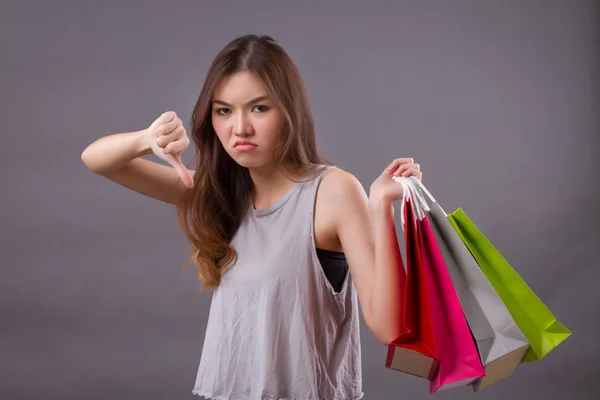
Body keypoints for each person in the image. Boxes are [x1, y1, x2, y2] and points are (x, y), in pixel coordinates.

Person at [81, 34, 423, 400]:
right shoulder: (221, 192)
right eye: (224, 110)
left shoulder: (333, 192)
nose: (239, 128)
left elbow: (389, 328)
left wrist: (380, 209)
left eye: (259, 108)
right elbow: (96, 159)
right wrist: (146, 139)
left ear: (290, 111)